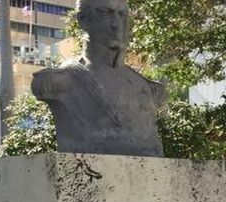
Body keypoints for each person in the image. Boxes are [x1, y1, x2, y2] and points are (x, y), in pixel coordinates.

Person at [32, 0, 166, 157]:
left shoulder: (148, 88)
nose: (116, 24)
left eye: (122, 15)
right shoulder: (58, 82)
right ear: (82, 20)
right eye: (105, 13)